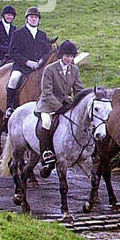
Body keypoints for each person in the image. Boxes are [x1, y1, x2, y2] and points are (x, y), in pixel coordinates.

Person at [34, 40, 82, 175]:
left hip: (65, 103)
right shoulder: (50, 69)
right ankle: (46, 153)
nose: (69, 59)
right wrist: (58, 106)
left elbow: (78, 88)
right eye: (67, 56)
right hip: (47, 104)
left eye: (72, 56)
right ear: (61, 55)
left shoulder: (75, 69)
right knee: (47, 122)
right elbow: (47, 92)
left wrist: (79, 102)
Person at [5, 6, 51, 117]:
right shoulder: (18, 33)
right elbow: (13, 52)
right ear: (27, 19)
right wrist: (27, 62)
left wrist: (41, 61)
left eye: (36, 17)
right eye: (31, 17)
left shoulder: (42, 35)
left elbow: (47, 52)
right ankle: (9, 108)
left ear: (39, 20)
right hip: (22, 67)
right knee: (14, 79)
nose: (34, 19)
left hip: (38, 67)